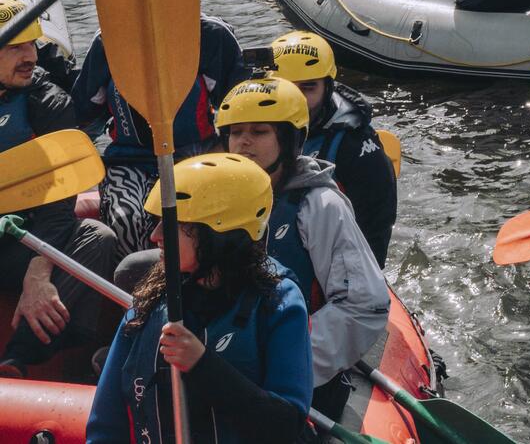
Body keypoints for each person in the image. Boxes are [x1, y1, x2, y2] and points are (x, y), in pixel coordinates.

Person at [85, 153, 313, 444]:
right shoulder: (152, 299)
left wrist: (202, 365)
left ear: (218, 233)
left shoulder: (278, 303)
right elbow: (107, 418)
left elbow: (286, 425)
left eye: (172, 225)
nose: (155, 236)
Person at [211, 78, 390, 421]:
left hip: (297, 378)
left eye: (259, 131)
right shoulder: (217, 201)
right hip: (227, 362)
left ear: (290, 139)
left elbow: (364, 306)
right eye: (235, 132)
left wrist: (284, 363)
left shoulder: (319, 206)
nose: (244, 141)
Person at [0, 0, 123, 374]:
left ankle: (16, 362)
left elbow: (58, 211)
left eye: (33, 44)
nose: (31, 57)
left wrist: (39, 271)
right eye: (16, 46)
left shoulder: (49, 104)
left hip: (22, 236)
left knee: (96, 237)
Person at [74, 15, 247, 253]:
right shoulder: (107, 40)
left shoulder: (211, 35)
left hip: (196, 155)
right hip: (128, 160)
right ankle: (139, 284)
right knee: (127, 221)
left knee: (196, 224)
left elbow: (240, 110)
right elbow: (83, 115)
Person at [267, 32, 398, 268]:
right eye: (285, 87)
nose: (297, 99)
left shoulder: (354, 144)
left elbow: (376, 223)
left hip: (328, 260)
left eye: (308, 88)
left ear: (328, 88)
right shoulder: (246, 130)